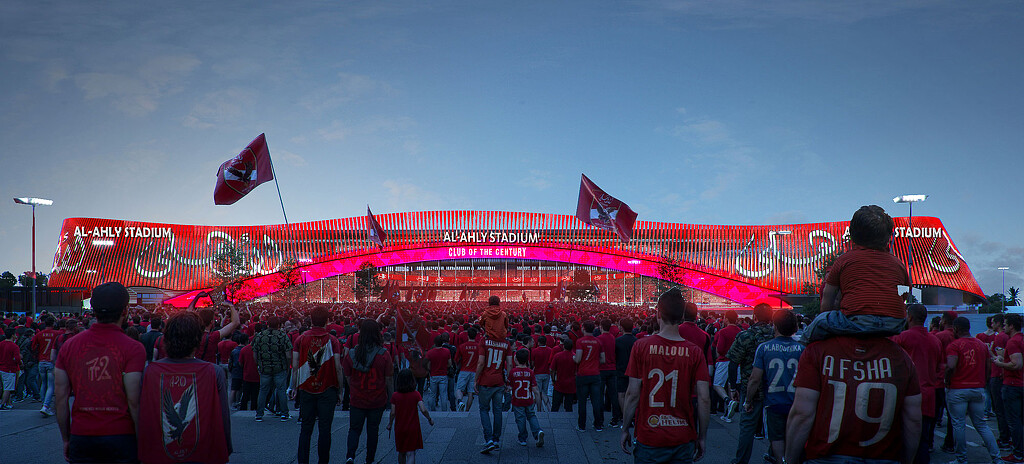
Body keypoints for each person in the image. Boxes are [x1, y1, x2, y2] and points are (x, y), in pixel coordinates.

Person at [785, 320, 922, 463]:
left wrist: (789, 459)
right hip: (883, 456)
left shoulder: (817, 351)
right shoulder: (901, 357)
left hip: (825, 455)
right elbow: (913, 419)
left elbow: (802, 414)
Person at [54, 282, 147, 463]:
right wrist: (141, 439)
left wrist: (66, 438)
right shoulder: (134, 348)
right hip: (121, 435)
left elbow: (60, 398)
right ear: (125, 310)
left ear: (93, 310)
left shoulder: (69, 346)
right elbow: (134, 401)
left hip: (82, 436)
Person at [620, 288, 710, 463]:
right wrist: (702, 437)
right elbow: (704, 398)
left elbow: (632, 393)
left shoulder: (641, 347)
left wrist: (625, 428)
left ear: (658, 314)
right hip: (683, 437)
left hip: (650, 435)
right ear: (682, 316)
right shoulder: (695, 352)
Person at [801, 205, 909, 343]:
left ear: (852, 234)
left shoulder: (844, 261)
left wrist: (828, 320)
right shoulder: (898, 263)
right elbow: (905, 292)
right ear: (888, 236)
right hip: (894, 323)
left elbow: (827, 300)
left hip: (858, 321)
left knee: (818, 323)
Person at [137, 312, 232, 464]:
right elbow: (223, 416)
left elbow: (141, 412)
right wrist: (226, 446)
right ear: (198, 340)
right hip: (203, 452)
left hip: (160, 454)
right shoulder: (214, 372)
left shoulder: (150, 372)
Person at [745, 310, 803, 464]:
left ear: (775, 326)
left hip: (773, 402)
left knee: (776, 437)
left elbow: (754, 379)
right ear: (795, 328)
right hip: (797, 403)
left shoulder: (764, 348)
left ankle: (780, 461)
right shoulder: (802, 349)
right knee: (794, 436)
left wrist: (748, 400)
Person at [291, 306, 345, 464]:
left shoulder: (300, 339)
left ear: (311, 319)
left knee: (306, 429)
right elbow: (338, 367)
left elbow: (294, 366)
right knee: (325, 429)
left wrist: (294, 387)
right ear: (327, 320)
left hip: (306, 388)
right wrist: (340, 390)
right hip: (327, 389)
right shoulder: (333, 340)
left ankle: (303, 461)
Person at [944, 316, 1001, 464]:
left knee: (958, 424)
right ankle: (997, 457)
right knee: (982, 425)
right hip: (977, 388)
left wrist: (947, 380)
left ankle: (962, 459)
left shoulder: (954, 345)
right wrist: (984, 382)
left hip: (957, 389)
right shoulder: (981, 345)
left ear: (956, 329)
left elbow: (950, 365)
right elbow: (988, 366)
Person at [892, 304, 943, 464]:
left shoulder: (903, 337)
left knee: (901, 440)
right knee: (923, 441)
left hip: (906, 396)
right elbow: (939, 367)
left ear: (910, 317)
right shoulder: (935, 340)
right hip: (928, 396)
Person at [727, 303, 776, 464]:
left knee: (747, 427)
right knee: (775, 426)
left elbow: (733, 362)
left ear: (754, 316)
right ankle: (773, 455)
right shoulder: (776, 336)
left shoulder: (745, 336)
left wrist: (733, 386)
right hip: (774, 389)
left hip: (751, 388)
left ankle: (741, 460)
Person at [342, 319, 393, 464]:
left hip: (358, 398)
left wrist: (354, 388)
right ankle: (369, 459)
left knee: (354, 429)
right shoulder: (383, 354)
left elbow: (347, 376)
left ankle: (350, 455)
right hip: (377, 398)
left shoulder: (352, 354)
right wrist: (391, 396)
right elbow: (389, 379)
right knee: (373, 431)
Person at [476, 301, 514, 454]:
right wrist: (508, 381)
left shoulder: (484, 341)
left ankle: (489, 439)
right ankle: (497, 439)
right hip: (499, 381)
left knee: (484, 410)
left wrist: (475, 380)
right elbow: (510, 364)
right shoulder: (506, 344)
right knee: (497, 411)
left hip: (485, 381)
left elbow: (480, 363)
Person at [993, 313, 1024, 462]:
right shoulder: (1021, 339)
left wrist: (1000, 364)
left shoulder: (1012, 342)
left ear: (1011, 326)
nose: (1003, 327)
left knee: (1014, 421)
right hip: (1020, 384)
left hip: (1012, 385)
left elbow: (1017, 364)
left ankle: (1018, 453)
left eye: (1005, 324)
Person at [387, 369, 434, 464]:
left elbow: (392, 413)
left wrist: (390, 424)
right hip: (413, 427)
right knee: (411, 453)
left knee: (401, 452)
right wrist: (429, 419)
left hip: (400, 428)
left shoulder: (395, 396)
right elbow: (423, 409)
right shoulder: (416, 394)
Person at [252, 316, 292, 421]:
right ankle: (284, 413)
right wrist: (287, 366)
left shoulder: (260, 336)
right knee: (281, 390)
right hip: (279, 367)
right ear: (279, 325)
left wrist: (258, 364)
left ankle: (259, 414)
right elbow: (288, 355)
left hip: (265, 367)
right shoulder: (282, 336)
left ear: (268, 324)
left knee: (263, 390)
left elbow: (254, 353)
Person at [509, 348, 546, 447]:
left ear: (516, 359)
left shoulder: (513, 372)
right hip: (528, 399)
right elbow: (535, 390)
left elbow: (509, 386)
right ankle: (537, 431)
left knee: (520, 419)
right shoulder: (530, 372)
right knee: (531, 416)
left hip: (517, 400)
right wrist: (538, 405)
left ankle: (523, 438)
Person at [575, 320, 606, 432]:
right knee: (596, 401)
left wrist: (574, 358)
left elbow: (578, 359)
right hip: (595, 374)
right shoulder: (598, 342)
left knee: (582, 401)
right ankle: (598, 425)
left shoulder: (580, 341)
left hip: (583, 374)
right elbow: (603, 359)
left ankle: (581, 425)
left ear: (583, 328)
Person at [713, 310, 741, 422]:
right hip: (737, 362)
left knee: (717, 384)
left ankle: (727, 401)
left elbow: (719, 349)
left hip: (724, 361)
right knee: (732, 386)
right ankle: (728, 413)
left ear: (727, 319)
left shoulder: (723, 331)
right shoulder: (740, 331)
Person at [31, 314, 60, 416]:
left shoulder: (39, 334)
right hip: (51, 361)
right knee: (51, 385)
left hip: (41, 360)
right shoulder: (57, 334)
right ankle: (46, 406)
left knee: (43, 383)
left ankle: (43, 403)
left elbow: (33, 346)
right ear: (53, 324)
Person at [614, 317, 638, 424]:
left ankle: (625, 416)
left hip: (621, 370)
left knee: (621, 394)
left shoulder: (618, 341)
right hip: (634, 371)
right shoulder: (636, 341)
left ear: (622, 328)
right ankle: (632, 416)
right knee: (633, 394)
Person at [598, 319, 621, 426]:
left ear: (601, 327)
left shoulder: (599, 339)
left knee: (599, 395)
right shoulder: (613, 338)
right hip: (612, 369)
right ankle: (615, 418)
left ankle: (600, 420)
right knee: (614, 395)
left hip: (602, 369)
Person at [424, 335, 452, 411]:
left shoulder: (430, 352)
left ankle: (432, 409)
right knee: (443, 394)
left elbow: (425, 362)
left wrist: (428, 369)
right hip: (443, 374)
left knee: (432, 394)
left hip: (433, 374)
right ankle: (444, 410)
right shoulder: (447, 351)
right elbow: (449, 363)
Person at [455, 327, 479, 411]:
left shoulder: (462, 346)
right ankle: (467, 410)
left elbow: (456, 359)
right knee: (470, 393)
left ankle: (460, 402)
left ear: (468, 336)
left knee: (459, 389)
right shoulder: (479, 347)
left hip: (464, 370)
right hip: (474, 371)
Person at [551, 337, 577, 412]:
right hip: (571, 384)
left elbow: (552, 370)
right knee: (569, 406)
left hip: (559, 383)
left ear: (563, 346)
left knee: (555, 405)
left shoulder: (558, 356)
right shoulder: (574, 357)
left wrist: (553, 379)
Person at [531, 334, 554, 411]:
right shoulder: (550, 350)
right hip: (547, 373)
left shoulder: (535, 351)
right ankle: (547, 407)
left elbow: (532, 363)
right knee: (544, 392)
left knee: (538, 393)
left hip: (537, 373)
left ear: (538, 342)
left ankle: (539, 408)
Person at [0, 331, 20, 409]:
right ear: (12, 335)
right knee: (8, 388)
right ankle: (3, 403)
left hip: (1, 367)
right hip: (9, 369)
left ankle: (7, 403)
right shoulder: (14, 346)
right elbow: (17, 359)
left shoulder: (1, 344)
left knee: (4, 386)